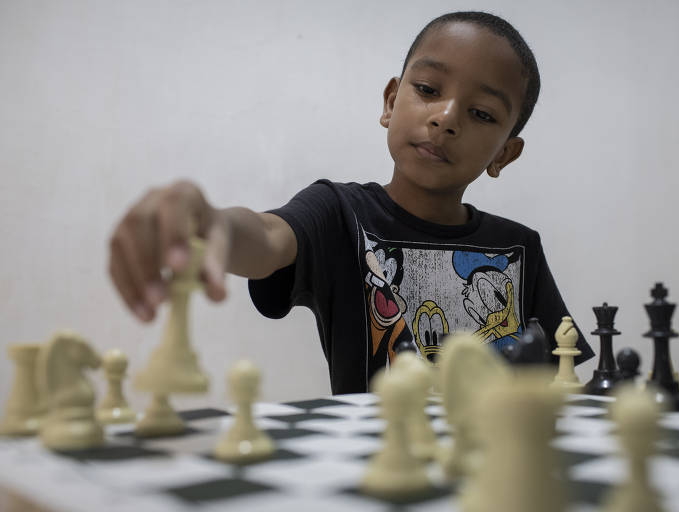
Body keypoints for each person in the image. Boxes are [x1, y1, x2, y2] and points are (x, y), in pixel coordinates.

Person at [108, 11, 594, 394]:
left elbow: (560, 380)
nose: (446, 119)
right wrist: (208, 219)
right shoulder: (338, 213)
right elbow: (267, 236)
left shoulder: (519, 246)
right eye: (427, 90)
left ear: (504, 154)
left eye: (482, 113)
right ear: (390, 101)